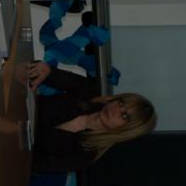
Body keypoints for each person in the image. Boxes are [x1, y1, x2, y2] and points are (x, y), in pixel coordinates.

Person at [25, 61, 157, 173]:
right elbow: (49, 73)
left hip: (17, 149)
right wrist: (43, 70)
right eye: (121, 103)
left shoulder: (87, 154)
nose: (115, 110)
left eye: (124, 116)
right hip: (18, 111)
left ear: (126, 130)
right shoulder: (88, 91)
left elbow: (32, 166)